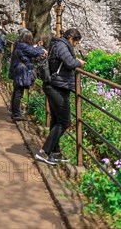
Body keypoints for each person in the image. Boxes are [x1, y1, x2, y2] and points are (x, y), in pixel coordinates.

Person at [35, 27, 85, 166]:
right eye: (76, 42)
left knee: (57, 120)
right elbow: (70, 63)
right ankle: (44, 152)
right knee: (64, 122)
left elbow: (64, 61)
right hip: (57, 87)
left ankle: (55, 153)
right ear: (71, 39)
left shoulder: (58, 44)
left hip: (55, 85)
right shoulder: (62, 45)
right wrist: (79, 63)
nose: (76, 45)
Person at [8, 30, 45, 121]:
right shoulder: (23, 46)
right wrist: (41, 48)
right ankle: (16, 114)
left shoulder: (19, 44)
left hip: (19, 69)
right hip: (22, 70)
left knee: (17, 91)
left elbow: (31, 49)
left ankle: (14, 111)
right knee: (19, 92)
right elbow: (34, 52)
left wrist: (37, 46)